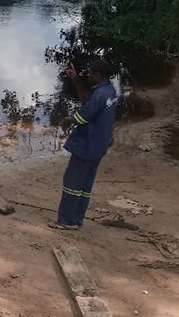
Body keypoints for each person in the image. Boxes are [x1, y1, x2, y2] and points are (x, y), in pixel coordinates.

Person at [49, 59, 119, 230]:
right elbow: (87, 101)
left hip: (87, 145)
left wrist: (66, 120)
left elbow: (82, 116)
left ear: (98, 75)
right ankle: (77, 219)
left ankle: (66, 221)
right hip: (98, 145)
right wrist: (76, 80)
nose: (87, 75)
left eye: (90, 73)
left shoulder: (100, 95)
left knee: (73, 183)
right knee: (85, 185)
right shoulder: (109, 91)